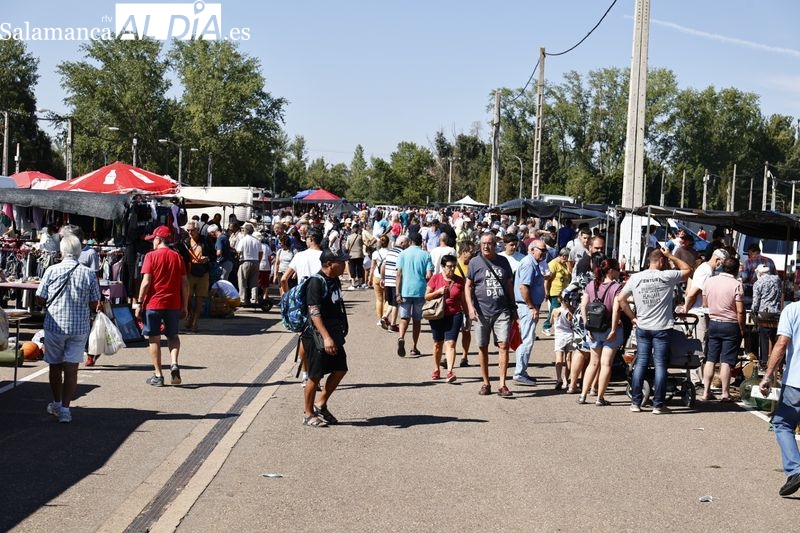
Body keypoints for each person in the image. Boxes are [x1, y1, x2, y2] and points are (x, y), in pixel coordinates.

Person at [35, 234, 101, 423]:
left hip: (54, 326)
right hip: (78, 327)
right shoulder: (88, 273)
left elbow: (40, 297)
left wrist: (48, 303)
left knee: (55, 367)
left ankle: (56, 403)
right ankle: (65, 409)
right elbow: (94, 302)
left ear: (62, 251)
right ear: (79, 251)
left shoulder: (51, 270)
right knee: (72, 369)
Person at [617, 247, 691, 414]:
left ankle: (636, 402)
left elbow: (621, 299)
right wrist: (671, 255)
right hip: (662, 327)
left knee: (641, 363)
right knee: (660, 365)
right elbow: (687, 270)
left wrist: (632, 317)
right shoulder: (666, 276)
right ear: (661, 261)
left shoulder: (636, 277)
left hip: (643, 326)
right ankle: (658, 404)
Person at [302, 248, 350, 427]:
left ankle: (321, 403)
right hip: (316, 335)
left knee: (340, 368)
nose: (345, 265)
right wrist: (326, 337)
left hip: (333, 332)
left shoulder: (334, 279)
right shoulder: (316, 282)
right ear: (329, 264)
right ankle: (308, 413)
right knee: (315, 375)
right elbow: (314, 312)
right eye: (342, 262)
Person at [136, 226, 189, 387]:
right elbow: (185, 283)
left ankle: (158, 375)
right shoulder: (177, 257)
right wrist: (185, 305)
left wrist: (139, 302)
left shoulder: (150, 256)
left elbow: (146, 282)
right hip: (173, 303)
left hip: (154, 303)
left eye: (153, 239)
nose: (152, 242)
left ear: (159, 239)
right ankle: (174, 363)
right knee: (173, 336)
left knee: (154, 339)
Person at [465, 232, 515, 397]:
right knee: (482, 346)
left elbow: (509, 285)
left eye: (489, 243)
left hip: (502, 310)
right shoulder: (474, 262)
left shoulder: (503, 261)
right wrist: (470, 308)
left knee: (503, 345)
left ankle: (502, 384)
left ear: (495, 245)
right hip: (481, 312)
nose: (486, 246)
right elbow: (468, 286)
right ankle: (486, 382)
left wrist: (513, 306)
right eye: (483, 243)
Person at [759, 301, 800, 497]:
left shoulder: (792, 310)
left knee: (782, 424)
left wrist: (767, 375)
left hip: (795, 381)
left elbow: (782, 343)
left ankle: (795, 469)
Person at [578, 258, 622, 406]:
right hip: (609, 327)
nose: (618, 271)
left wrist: (586, 325)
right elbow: (616, 309)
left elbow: (583, 305)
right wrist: (615, 328)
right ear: (611, 271)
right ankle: (599, 397)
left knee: (593, 362)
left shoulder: (591, 285)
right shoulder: (616, 287)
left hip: (594, 329)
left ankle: (583, 395)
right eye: (617, 268)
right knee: (606, 364)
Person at [701, 257, 745, 402]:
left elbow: (705, 304)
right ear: (736, 269)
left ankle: (706, 391)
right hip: (730, 324)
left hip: (713, 322)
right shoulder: (737, 285)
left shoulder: (710, 281)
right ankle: (725, 393)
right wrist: (742, 328)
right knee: (726, 360)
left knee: (711, 359)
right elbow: (740, 311)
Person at [511, 239, 548, 386]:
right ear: (532, 250)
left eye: (545, 250)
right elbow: (523, 287)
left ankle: (522, 370)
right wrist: (531, 307)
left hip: (529, 306)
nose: (544, 253)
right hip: (527, 307)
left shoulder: (534, 263)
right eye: (542, 250)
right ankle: (519, 373)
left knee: (527, 339)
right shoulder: (528, 263)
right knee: (527, 340)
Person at [425, 254, 467, 382]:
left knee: (451, 343)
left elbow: (463, 300)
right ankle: (436, 369)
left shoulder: (460, 281)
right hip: (437, 314)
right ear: (443, 267)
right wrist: (438, 292)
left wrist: (467, 314)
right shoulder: (435, 278)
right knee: (438, 343)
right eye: (449, 266)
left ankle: (449, 371)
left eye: (454, 266)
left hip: (455, 314)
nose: (452, 269)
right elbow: (426, 296)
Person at [395, 232, 433, 357]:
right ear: (421, 242)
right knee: (417, 320)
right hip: (420, 291)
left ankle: (401, 337)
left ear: (410, 241)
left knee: (404, 317)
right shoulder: (426, 255)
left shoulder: (403, 254)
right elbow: (428, 275)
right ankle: (414, 347)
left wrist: (397, 292)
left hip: (405, 290)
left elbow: (399, 274)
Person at [752, 263, 782, 369]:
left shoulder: (758, 282)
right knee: (775, 338)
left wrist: (753, 312)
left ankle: (763, 363)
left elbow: (756, 302)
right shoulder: (777, 280)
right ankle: (776, 362)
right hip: (776, 313)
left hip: (764, 313)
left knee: (763, 338)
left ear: (759, 272)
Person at [185, 221, 210, 332]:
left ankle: (195, 321)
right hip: (190, 271)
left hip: (203, 271)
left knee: (200, 298)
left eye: (192, 230)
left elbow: (213, 254)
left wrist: (207, 258)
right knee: (188, 297)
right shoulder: (185, 241)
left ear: (197, 230)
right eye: (188, 230)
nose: (190, 232)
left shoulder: (205, 240)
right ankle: (190, 315)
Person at [542, 247, 571, 337]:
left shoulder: (565, 264)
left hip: (563, 291)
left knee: (562, 310)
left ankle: (559, 327)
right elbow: (547, 280)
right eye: (566, 258)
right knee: (555, 309)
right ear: (562, 256)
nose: (567, 260)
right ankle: (546, 326)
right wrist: (546, 292)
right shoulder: (553, 264)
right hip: (555, 291)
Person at [235, 223, 263, 306]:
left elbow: (239, 251)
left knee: (242, 281)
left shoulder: (243, 240)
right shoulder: (257, 240)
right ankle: (254, 299)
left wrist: (238, 258)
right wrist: (258, 261)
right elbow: (261, 252)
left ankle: (242, 299)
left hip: (245, 261)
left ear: (246, 231)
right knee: (254, 282)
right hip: (255, 261)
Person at [551, 293, 575, 390]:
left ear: (559, 300)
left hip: (559, 336)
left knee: (559, 359)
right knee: (569, 359)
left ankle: (559, 378)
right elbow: (573, 323)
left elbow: (551, 322)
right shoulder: (571, 312)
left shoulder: (555, 311)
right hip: (569, 335)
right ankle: (566, 380)